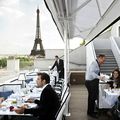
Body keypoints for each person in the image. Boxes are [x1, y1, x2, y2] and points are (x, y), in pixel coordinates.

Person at [85, 54, 105, 118]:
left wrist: (99, 76)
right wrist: (99, 77)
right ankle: (91, 113)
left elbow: (95, 72)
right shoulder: (94, 63)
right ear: (100, 58)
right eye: (103, 60)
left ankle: (90, 111)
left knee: (91, 98)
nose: (103, 62)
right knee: (92, 98)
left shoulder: (96, 63)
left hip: (92, 82)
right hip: (91, 83)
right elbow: (92, 72)